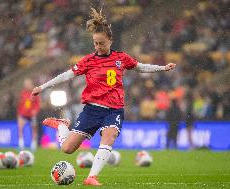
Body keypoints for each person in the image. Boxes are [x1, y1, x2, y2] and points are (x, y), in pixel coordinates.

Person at [32, 8, 176, 185]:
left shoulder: (121, 58)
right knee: (67, 148)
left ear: (110, 40)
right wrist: (43, 86)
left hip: (114, 109)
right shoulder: (89, 61)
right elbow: (67, 75)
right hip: (91, 110)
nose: (98, 47)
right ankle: (62, 126)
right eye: (95, 43)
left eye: (101, 43)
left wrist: (162, 68)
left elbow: (141, 67)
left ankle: (91, 177)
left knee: (109, 136)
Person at [17, 78, 40, 152]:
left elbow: (38, 104)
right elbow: (20, 104)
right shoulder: (22, 93)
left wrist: (35, 111)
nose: (26, 86)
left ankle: (33, 145)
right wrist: (19, 112)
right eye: (25, 84)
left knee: (34, 129)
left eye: (27, 84)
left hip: (32, 115)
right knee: (20, 128)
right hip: (23, 114)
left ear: (31, 84)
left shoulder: (35, 93)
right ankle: (21, 145)